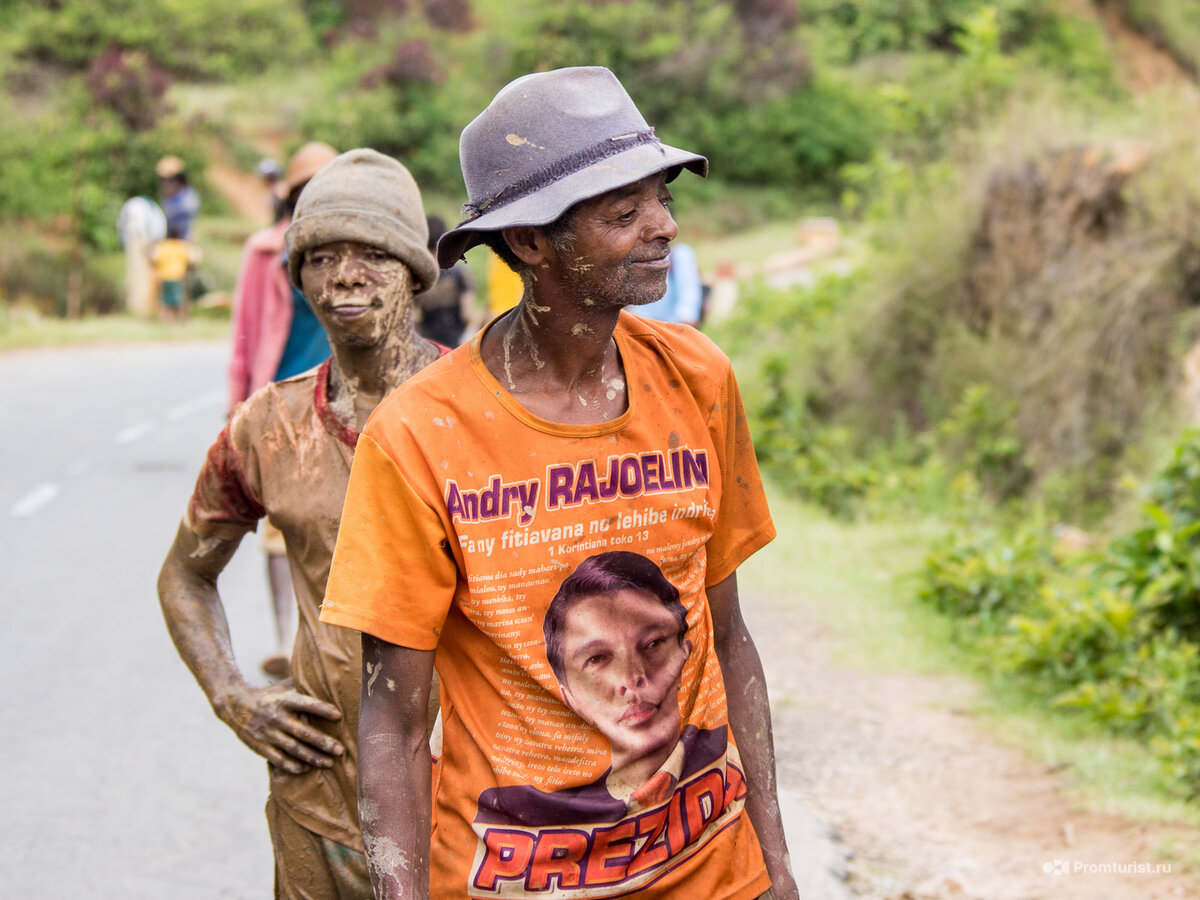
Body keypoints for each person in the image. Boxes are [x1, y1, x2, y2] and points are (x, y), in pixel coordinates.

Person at [319, 66, 799, 900]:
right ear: (532, 243)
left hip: (715, 872)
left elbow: (729, 637)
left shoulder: (698, 379)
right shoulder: (421, 435)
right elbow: (393, 720)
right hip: (515, 878)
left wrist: (778, 867)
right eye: (624, 213)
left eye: (662, 199)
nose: (663, 228)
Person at [157, 148, 444, 899]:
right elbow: (186, 574)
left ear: (414, 270)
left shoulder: (476, 411)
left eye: (371, 254)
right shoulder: (268, 426)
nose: (343, 276)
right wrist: (235, 699)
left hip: (467, 808)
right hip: (318, 804)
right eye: (320, 256)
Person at [227, 141, 339, 677]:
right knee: (279, 524)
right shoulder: (264, 251)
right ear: (291, 195)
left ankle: (327, 639)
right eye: (306, 188)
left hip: (344, 402)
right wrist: (238, 406)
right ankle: (288, 638)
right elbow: (244, 335)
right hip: (281, 402)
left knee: (338, 524)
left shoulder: (358, 249)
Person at [416, 215, 478, 346]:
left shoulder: (419, 277)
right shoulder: (460, 273)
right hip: (455, 343)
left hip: (429, 345)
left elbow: (415, 318)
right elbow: (467, 314)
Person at [634, 241, 704, 326]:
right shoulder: (641, 252)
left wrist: (687, 320)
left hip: (673, 324)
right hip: (645, 323)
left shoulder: (680, 253)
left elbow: (688, 289)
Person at [149, 225, 202, 322]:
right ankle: (179, 320)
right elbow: (194, 259)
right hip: (178, 276)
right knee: (178, 300)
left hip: (164, 276)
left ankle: (167, 320)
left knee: (165, 300)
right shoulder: (182, 246)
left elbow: (153, 259)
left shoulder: (163, 246)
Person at [156, 155, 201, 241]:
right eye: (163, 180)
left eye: (169, 180)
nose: (165, 184)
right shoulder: (168, 199)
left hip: (183, 242)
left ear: (178, 180)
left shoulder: (188, 197)